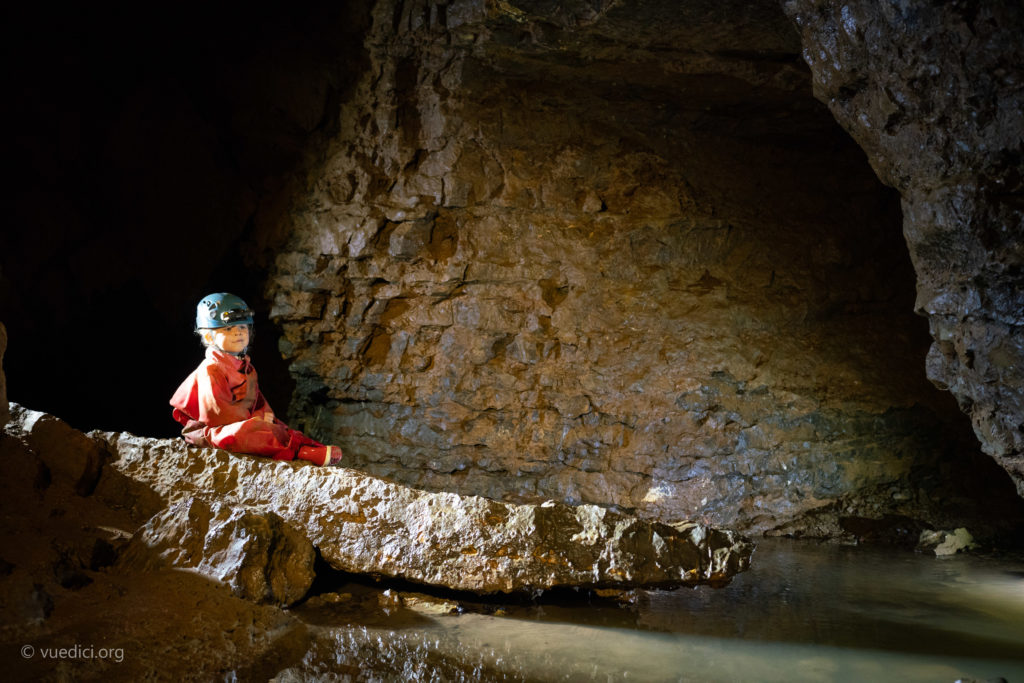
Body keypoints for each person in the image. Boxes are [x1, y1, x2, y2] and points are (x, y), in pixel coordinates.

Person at [170, 292, 341, 466]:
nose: (238, 333)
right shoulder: (211, 370)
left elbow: (257, 401)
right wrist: (252, 421)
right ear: (208, 336)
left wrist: (263, 416)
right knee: (247, 433)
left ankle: (306, 446)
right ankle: (301, 452)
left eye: (242, 327)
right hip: (215, 431)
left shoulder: (246, 368)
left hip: (245, 422)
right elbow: (217, 414)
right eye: (228, 329)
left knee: (276, 426)